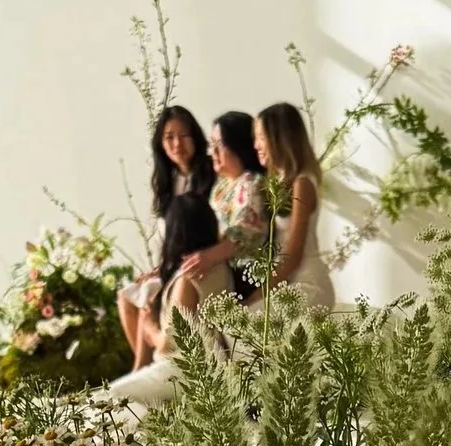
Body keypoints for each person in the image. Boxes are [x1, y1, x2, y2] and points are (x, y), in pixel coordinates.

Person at [120, 107, 217, 369]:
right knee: (127, 296)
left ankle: (146, 369)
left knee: (148, 300)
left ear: (196, 137)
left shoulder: (210, 174)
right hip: (169, 261)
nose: (177, 144)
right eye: (169, 137)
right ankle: (143, 367)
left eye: (184, 136)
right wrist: (156, 268)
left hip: (195, 259)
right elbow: (166, 236)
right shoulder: (167, 182)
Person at [254, 103, 335, 314]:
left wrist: (257, 295)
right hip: (286, 282)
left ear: (279, 139)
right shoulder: (275, 182)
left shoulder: (302, 184)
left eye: (261, 137)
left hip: (307, 283)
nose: (256, 145)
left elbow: (294, 254)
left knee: (244, 324)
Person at [194, 110, 269, 302]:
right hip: (217, 267)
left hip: (241, 274)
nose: (213, 152)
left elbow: (244, 232)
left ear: (239, 146)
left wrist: (207, 258)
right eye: (212, 145)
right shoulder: (220, 186)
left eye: (219, 144)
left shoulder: (252, 182)